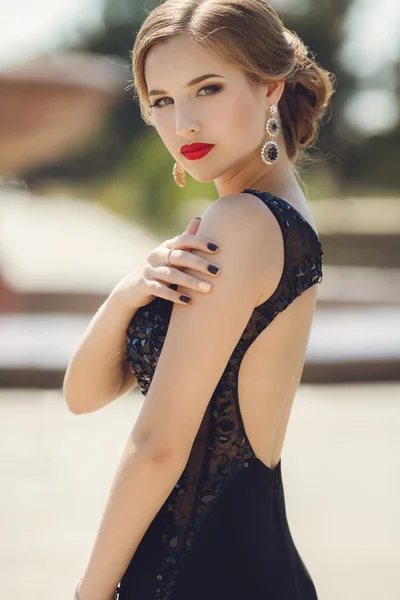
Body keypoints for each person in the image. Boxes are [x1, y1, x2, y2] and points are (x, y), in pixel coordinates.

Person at [64, 1, 335, 598]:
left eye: (206, 89)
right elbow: (84, 395)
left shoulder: (241, 221)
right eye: (161, 101)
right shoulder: (276, 215)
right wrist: (127, 293)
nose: (182, 123)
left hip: (199, 573)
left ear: (270, 85)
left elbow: (158, 445)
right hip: (244, 563)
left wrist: (89, 592)